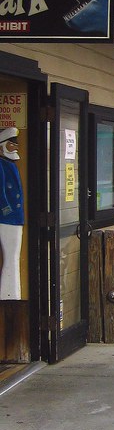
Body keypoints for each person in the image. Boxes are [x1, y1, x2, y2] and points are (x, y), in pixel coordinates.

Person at [0, 126, 24, 300]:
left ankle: (12, 294)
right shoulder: (2, 165)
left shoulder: (10, 164)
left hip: (14, 218)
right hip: (8, 218)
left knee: (13, 257)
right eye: (11, 144)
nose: (15, 147)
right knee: (11, 257)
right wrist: (6, 208)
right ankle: (9, 296)